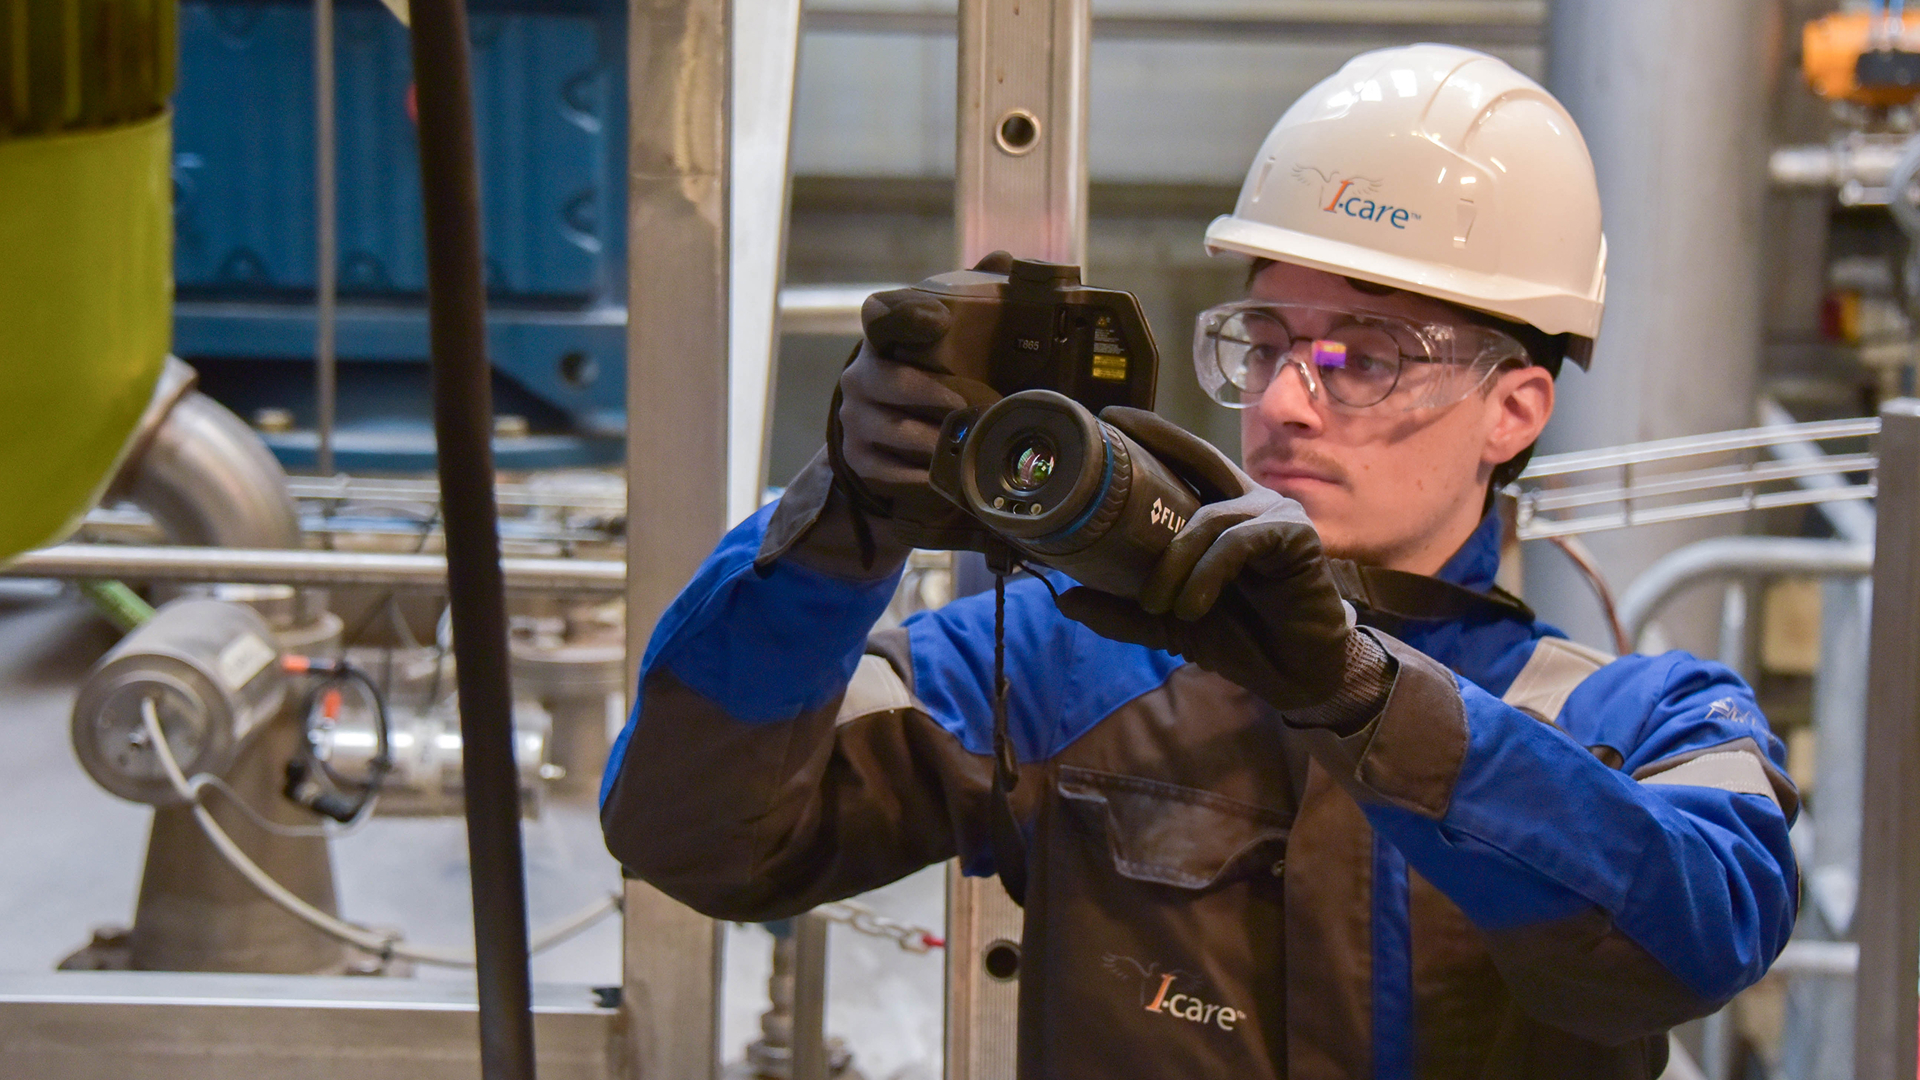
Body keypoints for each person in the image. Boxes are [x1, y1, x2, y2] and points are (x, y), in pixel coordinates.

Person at [601, 43, 1797, 1079]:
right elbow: (696, 835)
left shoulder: (1643, 719)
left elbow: (1690, 939)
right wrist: (843, 524)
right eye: (1264, 341)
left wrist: (1364, 700)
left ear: (1515, 409)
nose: (1284, 401)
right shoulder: (1067, 663)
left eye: (1360, 357)